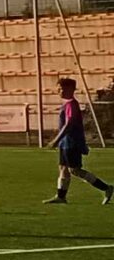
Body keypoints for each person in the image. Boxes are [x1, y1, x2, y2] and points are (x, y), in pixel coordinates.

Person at [49, 76, 111, 204]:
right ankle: (61, 196)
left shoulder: (72, 104)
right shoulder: (67, 104)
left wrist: (56, 139)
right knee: (63, 168)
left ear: (70, 89)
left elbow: (69, 123)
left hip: (72, 143)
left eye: (61, 89)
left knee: (75, 170)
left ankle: (106, 188)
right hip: (65, 143)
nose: (59, 91)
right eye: (58, 89)